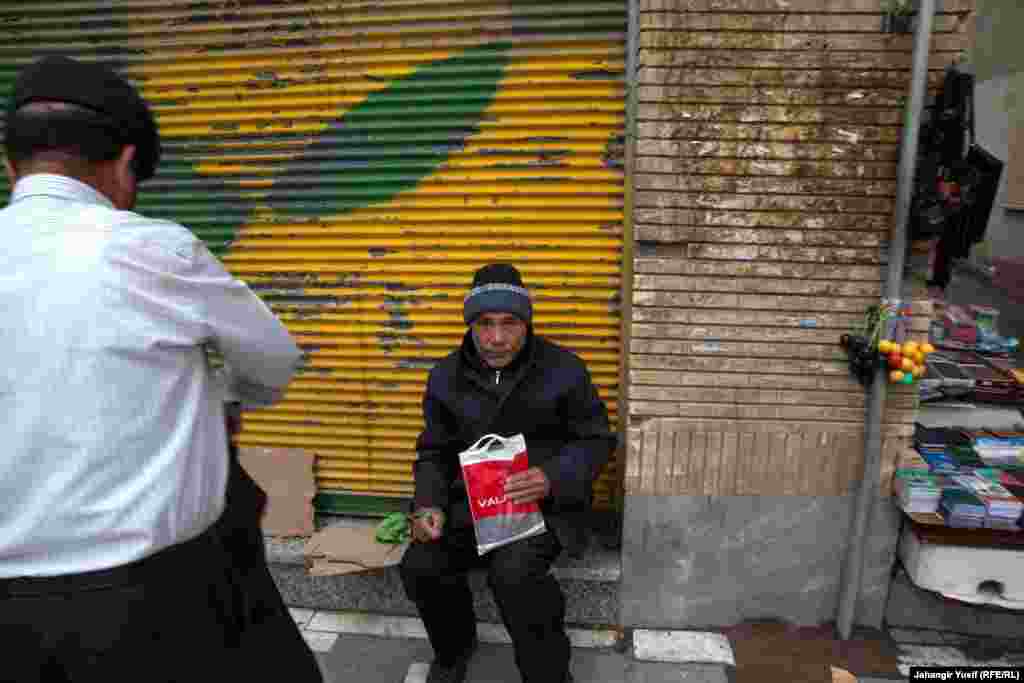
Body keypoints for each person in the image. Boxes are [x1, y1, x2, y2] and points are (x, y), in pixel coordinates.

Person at [0, 55, 320, 682]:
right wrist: (224, 391)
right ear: (125, 164)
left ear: (14, 164)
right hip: (149, 602)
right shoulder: (152, 249)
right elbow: (274, 363)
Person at [400, 263, 617, 683]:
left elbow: (596, 441)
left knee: (515, 576)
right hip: (471, 505)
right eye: (485, 323)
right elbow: (434, 452)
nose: (497, 338)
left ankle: (548, 674)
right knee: (422, 566)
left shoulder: (564, 369)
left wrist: (552, 476)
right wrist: (428, 505)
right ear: (471, 325)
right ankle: (453, 651)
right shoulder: (445, 376)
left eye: (509, 323)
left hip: (540, 509)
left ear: (526, 323)